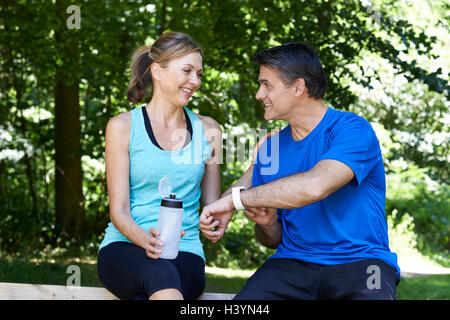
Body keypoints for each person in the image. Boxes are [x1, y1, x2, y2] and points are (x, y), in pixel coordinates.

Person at [200, 42, 400, 300]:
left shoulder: (352, 130)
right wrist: (268, 223)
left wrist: (235, 200)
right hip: (292, 264)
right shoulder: (270, 149)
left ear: (298, 87)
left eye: (266, 85)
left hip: (361, 262)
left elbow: (315, 185)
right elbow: (271, 239)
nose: (259, 94)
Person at [97, 31, 222, 300]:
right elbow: (118, 210)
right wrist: (147, 241)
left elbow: (213, 206)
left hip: (185, 251)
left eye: (199, 74)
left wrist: (241, 194)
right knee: (160, 275)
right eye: (187, 70)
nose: (195, 81)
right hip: (125, 247)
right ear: (157, 71)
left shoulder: (210, 129)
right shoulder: (122, 127)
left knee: (159, 282)